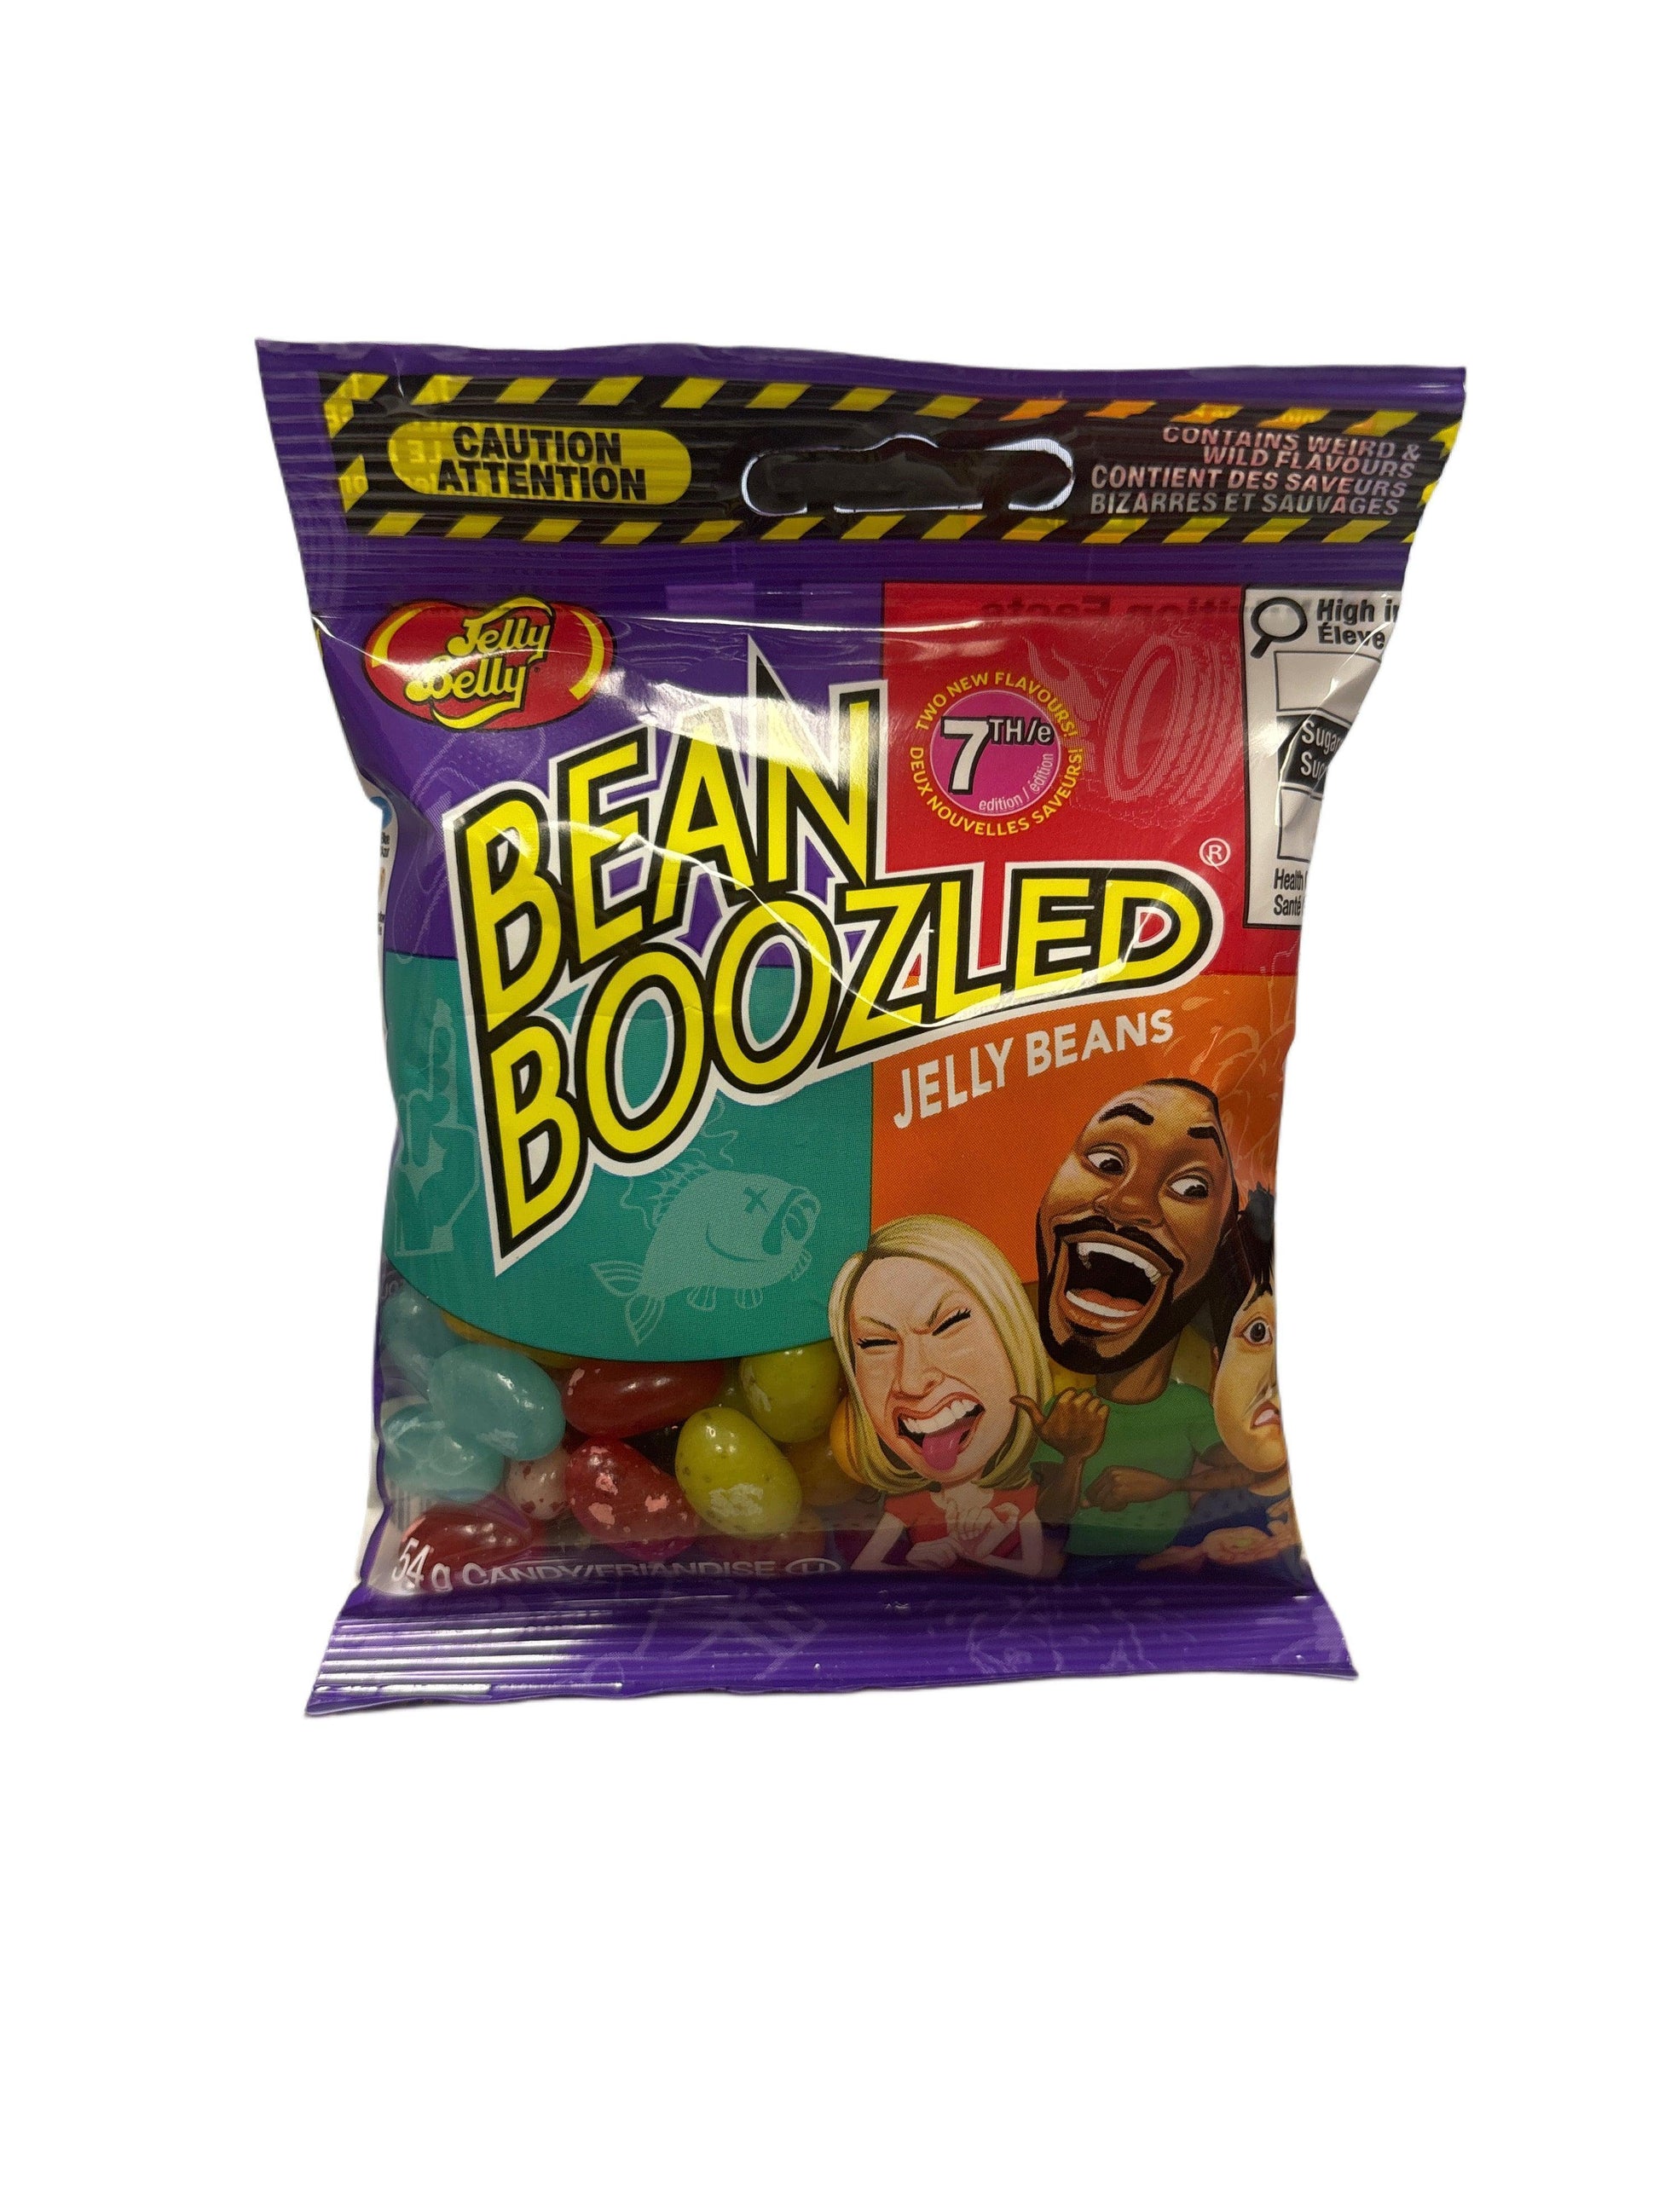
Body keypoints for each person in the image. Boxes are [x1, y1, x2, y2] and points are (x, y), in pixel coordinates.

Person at [1030, 1080, 1251, 1560]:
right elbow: (1050, 1519)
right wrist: (1073, 1457)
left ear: (1224, 1240)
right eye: (1108, 1162)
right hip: (1072, 1577)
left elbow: (1252, 1474)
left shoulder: (1193, 1408)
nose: (1128, 1203)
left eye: (1192, 1187)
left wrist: (1168, 1486)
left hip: (1172, 1574)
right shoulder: (1066, 1412)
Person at [829, 1216, 1071, 1577]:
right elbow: (865, 1567)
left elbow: (1039, 1568)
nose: (912, 1381)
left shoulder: (1023, 1500)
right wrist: (918, 1563)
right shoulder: (910, 1506)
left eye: (948, 1323)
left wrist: (970, 1557)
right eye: (876, 1343)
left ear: (1012, 1327)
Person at [1140, 1190, 1301, 1572]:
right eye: (1258, 1333)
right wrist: (1199, 1553)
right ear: (1217, 1371)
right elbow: (1152, 1568)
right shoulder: (1214, 1507)